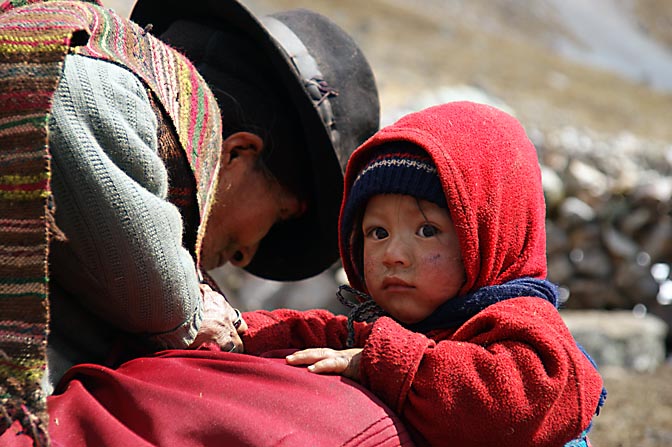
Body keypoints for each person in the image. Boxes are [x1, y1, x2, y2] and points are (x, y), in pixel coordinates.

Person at [0, 0, 380, 443]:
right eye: (277, 217)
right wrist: (187, 314)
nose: (243, 256)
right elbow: (66, 94)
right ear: (238, 154)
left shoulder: (104, 273)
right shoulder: (100, 84)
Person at [238, 101, 607, 446]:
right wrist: (239, 331)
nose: (393, 255)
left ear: (489, 233)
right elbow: (322, 334)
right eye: (377, 233)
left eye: (427, 231)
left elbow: (512, 403)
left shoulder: (524, 328)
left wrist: (384, 366)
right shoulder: (403, 328)